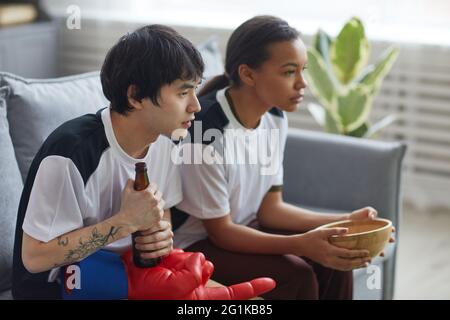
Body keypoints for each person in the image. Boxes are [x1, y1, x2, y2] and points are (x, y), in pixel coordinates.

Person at [12, 24, 275, 300]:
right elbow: (35, 258)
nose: (196, 106)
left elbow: (163, 211)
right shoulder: (71, 152)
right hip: (62, 287)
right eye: (183, 93)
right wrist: (125, 223)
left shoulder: (166, 140)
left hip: (131, 273)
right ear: (135, 96)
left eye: (195, 90)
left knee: (252, 303)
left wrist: (160, 233)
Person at [173, 15, 394, 300]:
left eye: (303, 70)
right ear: (248, 74)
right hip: (195, 244)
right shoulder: (205, 131)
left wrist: (346, 222)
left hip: (243, 229)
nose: (303, 83)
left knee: (338, 256)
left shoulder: (274, 117)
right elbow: (222, 233)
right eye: (290, 72)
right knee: (297, 276)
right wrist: (302, 244)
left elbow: (270, 209)